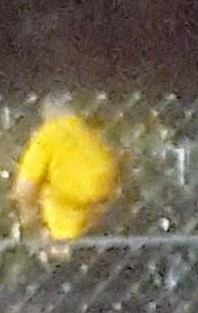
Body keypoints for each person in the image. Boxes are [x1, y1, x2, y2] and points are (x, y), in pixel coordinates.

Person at [8, 92, 120, 248]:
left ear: (46, 114)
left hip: (60, 232)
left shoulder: (48, 136)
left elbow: (26, 186)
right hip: (101, 228)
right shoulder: (93, 136)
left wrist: (28, 220)